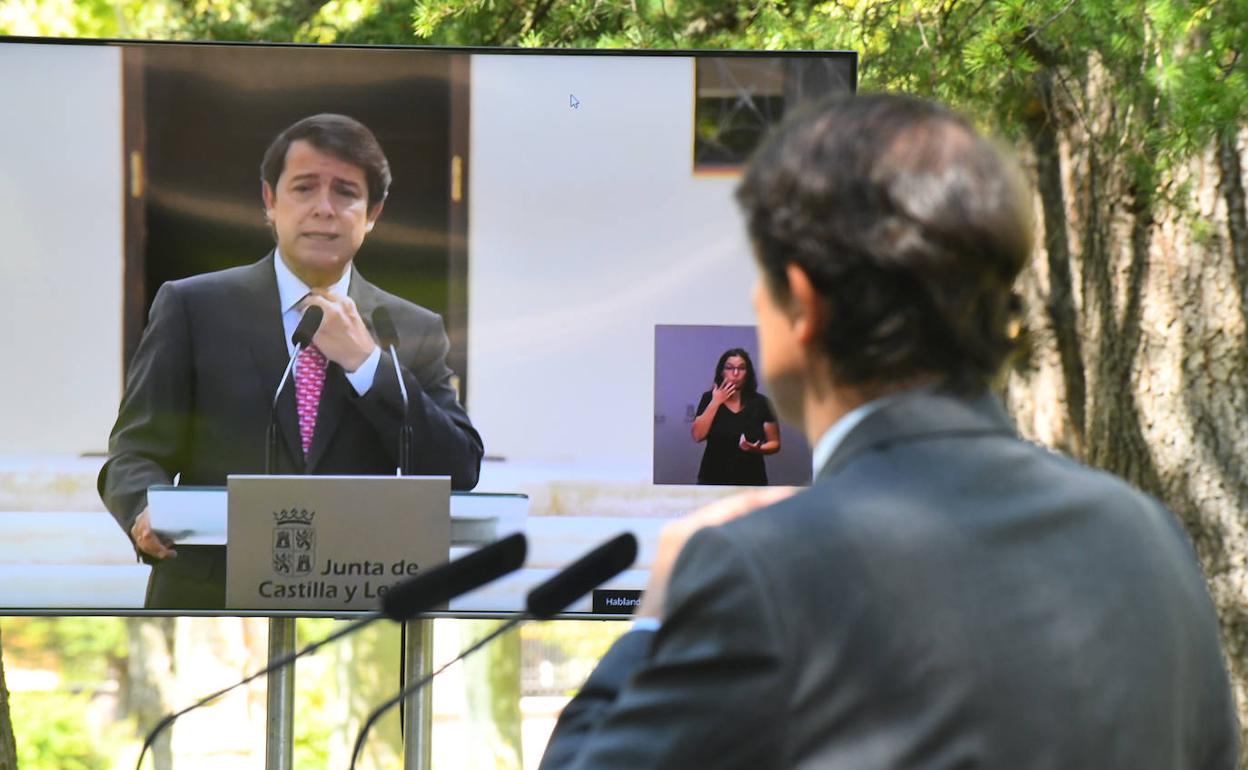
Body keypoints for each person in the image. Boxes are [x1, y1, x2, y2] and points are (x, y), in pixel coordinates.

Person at [538, 94, 1238, 769]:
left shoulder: (758, 571)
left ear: (803, 302)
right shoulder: (1151, 539)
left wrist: (656, 616)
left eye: (760, 276)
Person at [98, 113, 483, 610]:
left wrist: (367, 363)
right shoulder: (193, 307)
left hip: (356, 598)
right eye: (304, 188)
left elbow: (458, 466)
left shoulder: (412, 328)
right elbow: (133, 451)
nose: (324, 208)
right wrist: (144, 508)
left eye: (346, 192)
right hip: (212, 596)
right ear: (270, 201)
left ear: (373, 212)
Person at [691, 348, 780, 485]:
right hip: (712, 478)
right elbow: (697, 435)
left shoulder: (761, 403)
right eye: (729, 368)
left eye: (741, 368)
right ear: (722, 371)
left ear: (748, 373)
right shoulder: (709, 398)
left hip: (752, 479)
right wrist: (716, 402)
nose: (736, 373)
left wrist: (758, 449)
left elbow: (775, 443)